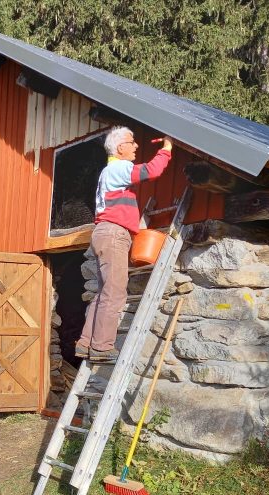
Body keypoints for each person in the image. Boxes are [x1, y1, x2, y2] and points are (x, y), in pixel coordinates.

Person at [76, 127, 173, 363]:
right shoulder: (118, 168)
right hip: (113, 234)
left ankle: (85, 343)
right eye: (132, 142)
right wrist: (167, 147)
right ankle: (101, 347)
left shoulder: (108, 172)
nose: (136, 146)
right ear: (120, 147)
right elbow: (151, 170)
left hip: (104, 233)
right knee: (115, 292)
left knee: (104, 292)